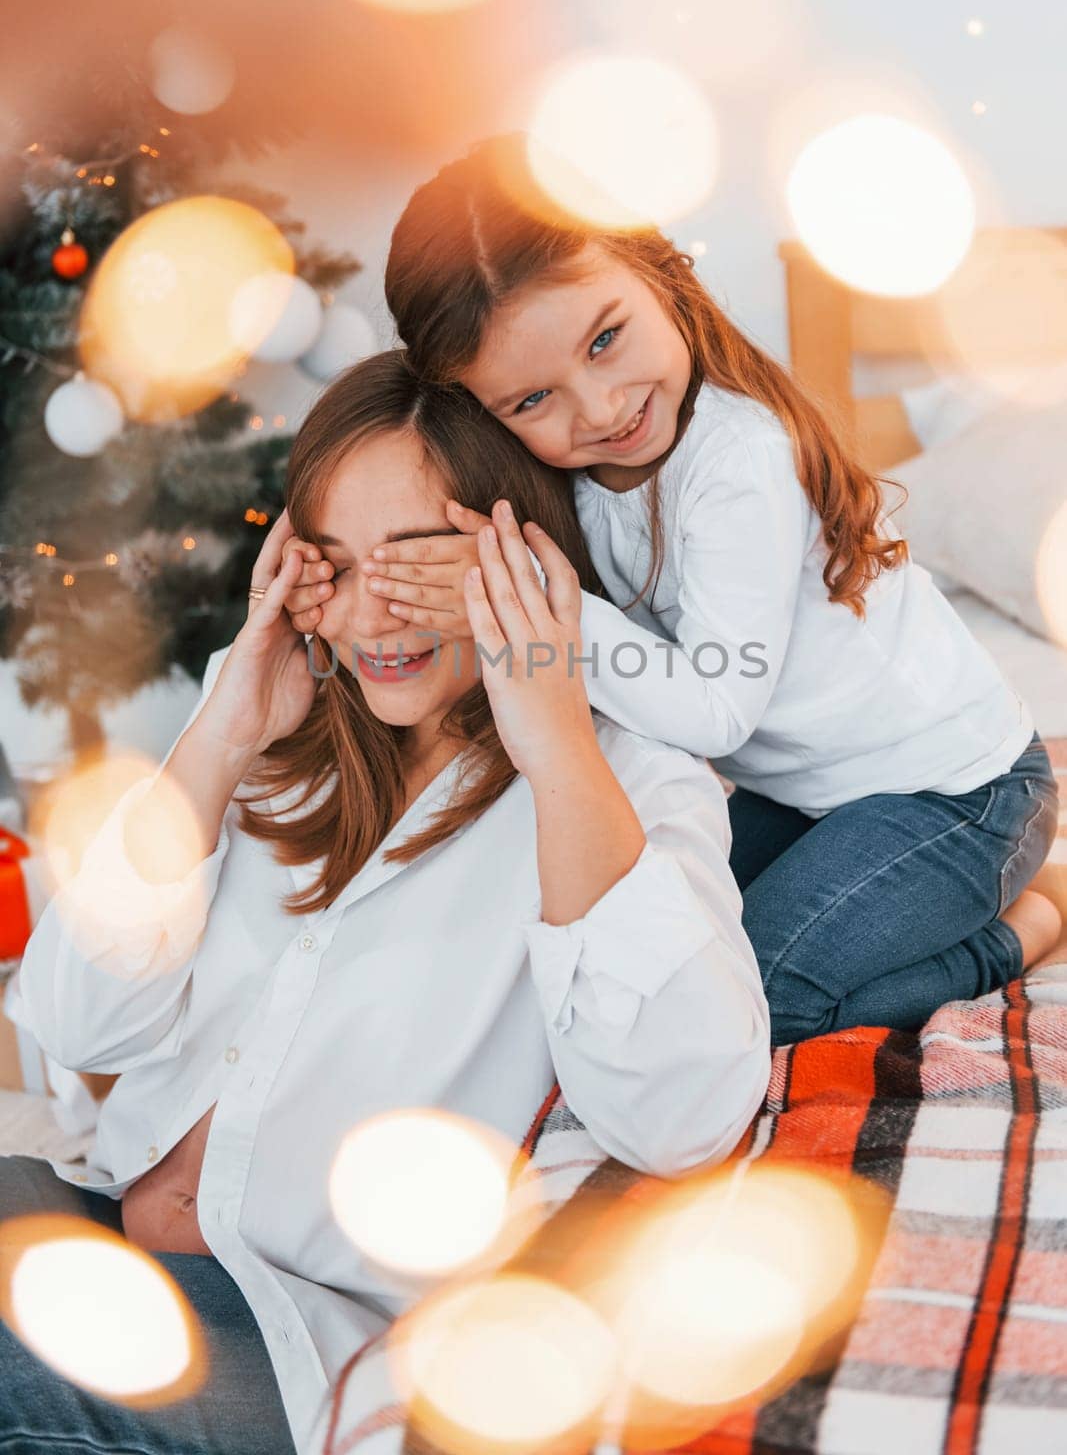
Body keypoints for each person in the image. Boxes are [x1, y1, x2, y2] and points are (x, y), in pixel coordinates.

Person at [2, 350, 771, 1455]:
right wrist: (219, 738)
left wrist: (552, 736)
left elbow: (686, 1113)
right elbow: (77, 1020)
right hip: (100, 1218)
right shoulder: (272, 716)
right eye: (336, 564)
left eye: (420, 565)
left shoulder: (627, 778)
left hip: (298, 1336)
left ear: (524, 554)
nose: (374, 614)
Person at [282, 133, 1062, 1043]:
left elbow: (714, 716)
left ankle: (1020, 931)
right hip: (808, 795)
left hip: (959, 792)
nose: (600, 408)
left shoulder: (737, 464)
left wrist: (545, 606)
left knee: (749, 1005)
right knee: (663, 964)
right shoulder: (564, 474)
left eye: (605, 339)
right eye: (531, 400)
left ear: (663, 274)